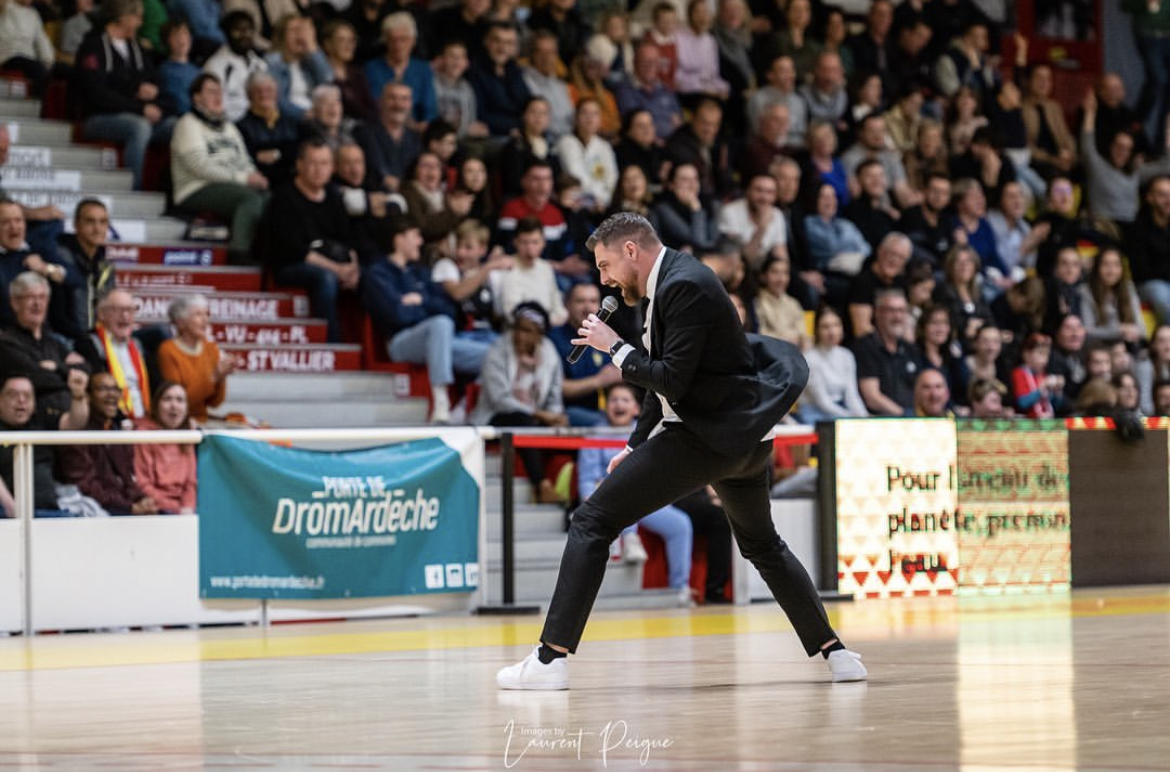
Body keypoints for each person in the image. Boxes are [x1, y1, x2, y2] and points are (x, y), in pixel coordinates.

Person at [496, 212, 866, 689]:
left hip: (705, 439)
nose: (604, 279)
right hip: (744, 442)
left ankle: (550, 661)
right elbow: (661, 384)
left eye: (606, 265)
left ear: (631, 251)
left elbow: (671, 380)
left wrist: (615, 348)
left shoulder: (685, 285)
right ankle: (837, 655)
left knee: (591, 521)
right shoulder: (670, 283)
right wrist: (634, 445)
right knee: (763, 545)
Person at [577, 382, 695, 605]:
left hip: (645, 498)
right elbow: (586, 479)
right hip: (609, 498)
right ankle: (629, 537)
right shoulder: (595, 434)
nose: (618, 404)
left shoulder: (647, 432)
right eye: (613, 400)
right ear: (606, 407)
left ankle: (680, 588)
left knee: (681, 524)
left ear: (636, 408)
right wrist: (589, 501)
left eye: (625, 400)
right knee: (621, 495)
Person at [363, 218, 488, 424]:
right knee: (440, 324)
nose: (420, 242)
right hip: (401, 342)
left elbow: (448, 309)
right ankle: (440, 402)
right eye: (415, 236)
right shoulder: (378, 273)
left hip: (439, 339)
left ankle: (464, 409)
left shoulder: (420, 272)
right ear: (399, 239)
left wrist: (419, 301)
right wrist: (426, 309)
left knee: (493, 355)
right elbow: (397, 316)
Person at [260, 138, 358, 342]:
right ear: (299, 165)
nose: (318, 169)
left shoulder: (334, 196)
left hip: (331, 260)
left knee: (371, 276)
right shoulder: (284, 197)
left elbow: (347, 239)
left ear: (332, 168)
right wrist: (337, 269)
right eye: (313, 163)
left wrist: (353, 268)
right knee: (326, 278)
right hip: (290, 265)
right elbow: (294, 250)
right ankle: (331, 347)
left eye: (324, 163)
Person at [470, 301, 566, 504]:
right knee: (522, 421)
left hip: (535, 419)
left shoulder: (550, 353)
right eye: (518, 329)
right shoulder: (497, 351)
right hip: (495, 418)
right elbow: (500, 399)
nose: (520, 336)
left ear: (539, 334)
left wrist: (555, 416)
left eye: (528, 331)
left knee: (566, 426)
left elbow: (554, 395)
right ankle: (541, 485)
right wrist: (539, 414)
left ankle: (571, 502)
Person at [73, 0, 175, 189]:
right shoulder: (93, 46)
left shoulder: (137, 48)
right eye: (137, 17)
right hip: (98, 117)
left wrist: (155, 95)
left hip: (138, 112)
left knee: (177, 127)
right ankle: (133, 191)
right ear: (122, 17)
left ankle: (171, 192)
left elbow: (155, 81)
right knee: (139, 127)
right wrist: (140, 107)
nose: (140, 23)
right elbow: (96, 94)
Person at [171, 74, 270, 264]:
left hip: (230, 184)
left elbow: (244, 160)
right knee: (250, 199)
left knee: (269, 198)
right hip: (196, 188)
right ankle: (239, 253)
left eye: (220, 92)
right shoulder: (188, 123)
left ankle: (265, 253)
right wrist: (243, 179)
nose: (218, 97)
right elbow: (199, 166)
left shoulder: (229, 127)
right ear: (197, 98)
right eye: (211, 92)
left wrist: (254, 175)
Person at [56, 372, 157, 516]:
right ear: (88, 396)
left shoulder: (116, 430)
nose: (112, 395)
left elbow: (128, 479)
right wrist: (130, 508)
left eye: (116, 389)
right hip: (95, 514)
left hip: (123, 507)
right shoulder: (79, 432)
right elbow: (87, 488)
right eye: (103, 389)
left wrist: (142, 499)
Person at [0, 370, 90, 519]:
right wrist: (10, 506)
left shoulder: (41, 421)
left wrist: (78, 396)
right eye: (13, 395)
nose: (21, 400)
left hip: (49, 511)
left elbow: (75, 424)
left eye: (27, 395)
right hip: (8, 513)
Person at [0, 272, 90, 419]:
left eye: (42, 297)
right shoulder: (7, 342)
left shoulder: (54, 342)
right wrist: (71, 376)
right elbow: (39, 379)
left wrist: (57, 367)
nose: (37, 304)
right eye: (30, 297)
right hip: (33, 424)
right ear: (15, 303)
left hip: (68, 419)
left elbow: (86, 368)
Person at [548, 282, 624, 427]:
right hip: (569, 413)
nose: (587, 307)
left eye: (593, 301)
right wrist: (599, 381)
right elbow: (558, 388)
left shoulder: (606, 334)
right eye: (580, 301)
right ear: (566, 304)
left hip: (608, 411)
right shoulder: (554, 338)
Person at [156, 295, 235, 424]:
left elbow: (214, 403)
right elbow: (176, 403)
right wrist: (214, 377)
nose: (205, 320)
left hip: (203, 420)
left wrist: (221, 378)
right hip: (178, 423)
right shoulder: (168, 351)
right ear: (181, 321)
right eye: (198, 314)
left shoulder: (211, 349)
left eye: (206, 314)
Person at [75, 288, 152, 420]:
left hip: (144, 420)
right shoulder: (89, 344)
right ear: (102, 314)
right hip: (111, 421)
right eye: (118, 310)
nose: (125, 316)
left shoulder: (139, 346)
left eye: (130, 310)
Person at [852, 288, 921, 416]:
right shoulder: (865, 346)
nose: (897, 317)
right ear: (877, 313)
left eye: (902, 311)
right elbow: (872, 397)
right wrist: (905, 415)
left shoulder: (910, 348)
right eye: (891, 311)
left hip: (912, 419)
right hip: (879, 420)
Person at [133, 381, 197, 514]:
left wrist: (188, 507)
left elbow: (190, 483)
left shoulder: (188, 434)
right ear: (156, 405)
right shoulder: (143, 434)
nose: (174, 406)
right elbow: (143, 484)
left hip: (185, 508)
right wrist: (176, 509)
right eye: (167, 399)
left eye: (180, 400)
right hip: (156, 508)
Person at [55, 199, 115, 338]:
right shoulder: (60, 259)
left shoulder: (106, 267)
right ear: (76, 224)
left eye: (103, 222)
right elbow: (57, 318)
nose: (97, 229)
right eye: (90, 221)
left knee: (158, 333)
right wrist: (85, 340)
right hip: (64, 339)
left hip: (97, 337)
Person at [797, 305, 866, 423]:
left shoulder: (847, 355)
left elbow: (852, 395)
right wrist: (851, 419)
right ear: (817, 330)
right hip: (814, 414)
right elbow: (822, 402)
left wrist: (864, 418)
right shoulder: (810, 358)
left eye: (836, 325)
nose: (832, 332)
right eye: (825, 327)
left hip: (840, 410)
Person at [203, 11, 269, 123]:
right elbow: (213, 107)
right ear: (227, 34)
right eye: (238, 31)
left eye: (249, 30)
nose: (245, 35)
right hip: (232, 123)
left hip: (260, 121)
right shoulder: (215, 66)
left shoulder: (260, 64)